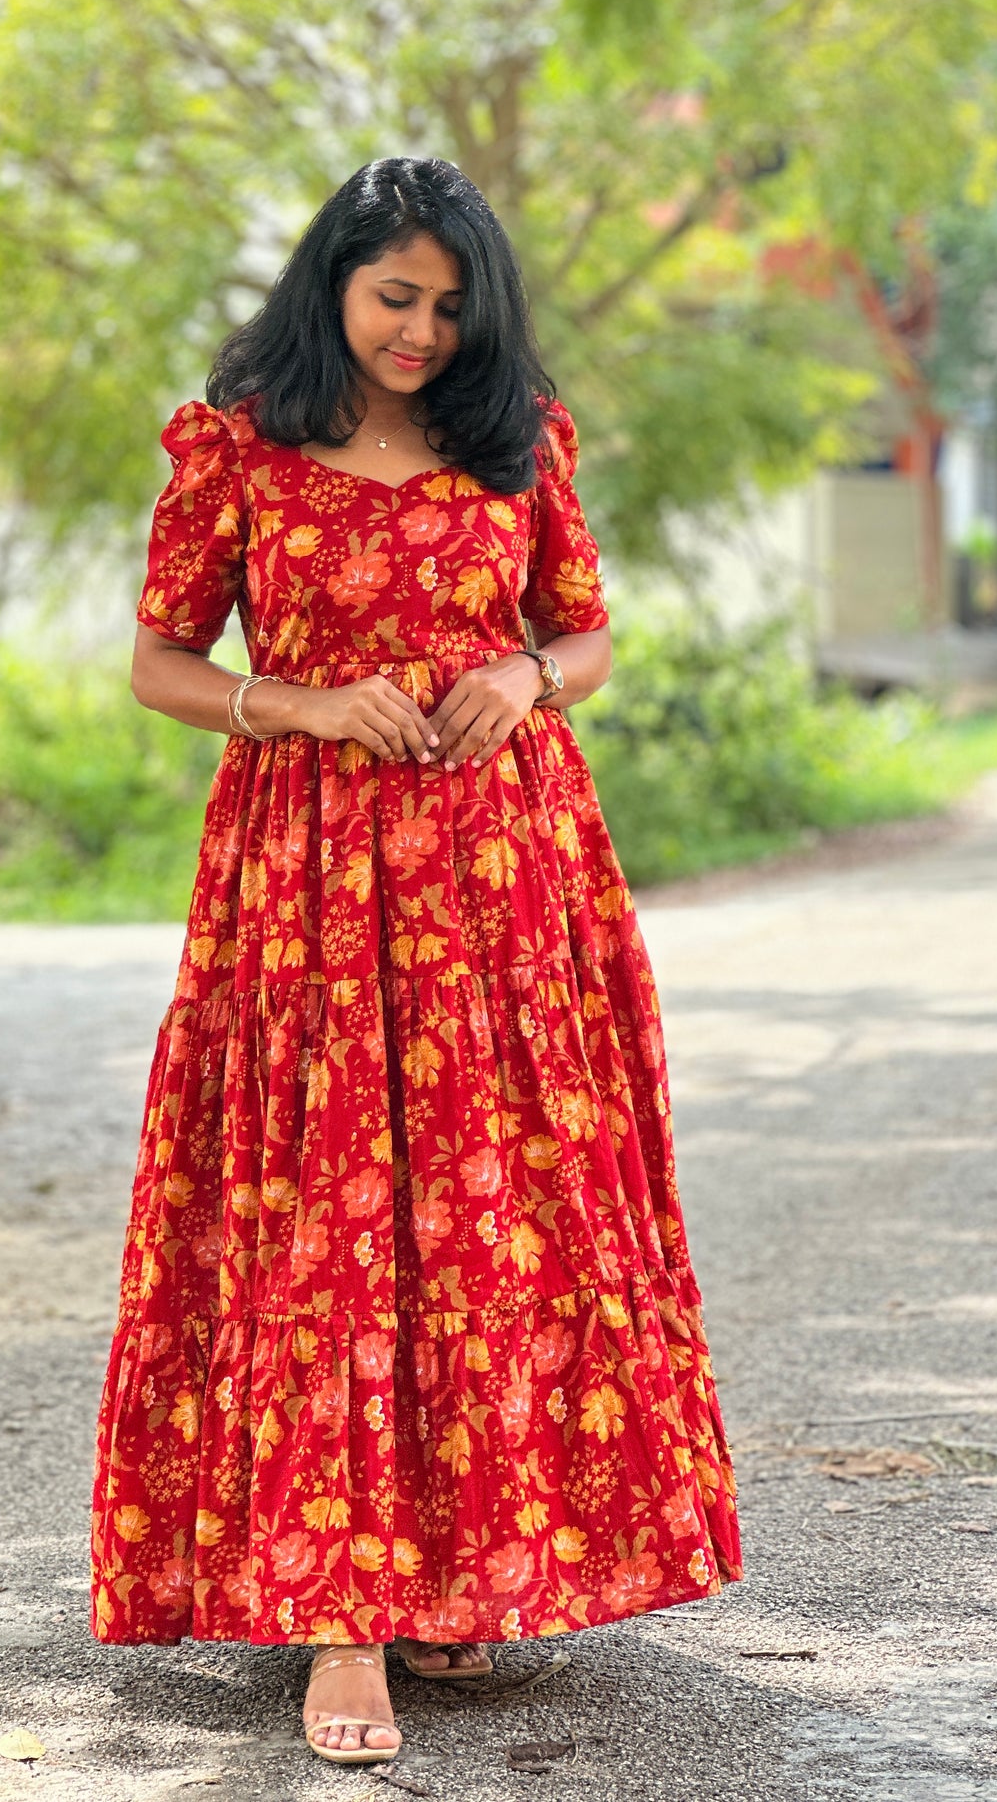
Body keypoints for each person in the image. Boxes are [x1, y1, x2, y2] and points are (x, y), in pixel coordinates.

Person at [89, 157, 743, 1766]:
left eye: (452, 307)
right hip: (302, 877)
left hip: (507, 880)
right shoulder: (234, 439)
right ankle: (341, 1623)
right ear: (331, 282)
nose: (423, 332)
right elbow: (159, 661)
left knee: (483, 1214)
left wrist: (529, 678)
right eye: (396, 296)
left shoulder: (514, 434)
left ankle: (465, 1569)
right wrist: (304, 703)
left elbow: (584, 627)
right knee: (321, 1218)